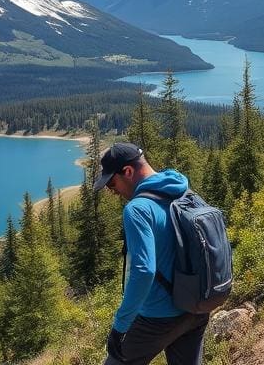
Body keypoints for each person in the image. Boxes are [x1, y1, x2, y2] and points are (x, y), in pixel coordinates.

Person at [96, 143, 209, 365]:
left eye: (111, 183)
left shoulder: (137, 209)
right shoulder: (185, 192)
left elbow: (143, 271)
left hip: (159, 317)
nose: (112, 191)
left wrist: (120, 326)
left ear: (128, 171)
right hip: (196, 307)